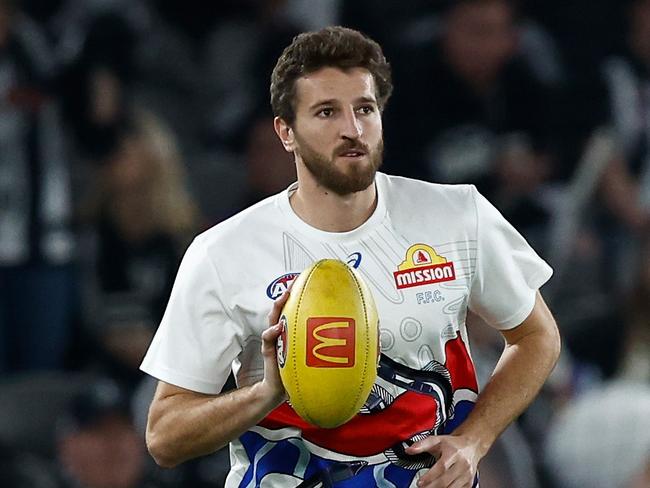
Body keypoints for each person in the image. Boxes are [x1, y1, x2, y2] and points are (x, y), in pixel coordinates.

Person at [140, 26, 561, 487]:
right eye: (327, 112)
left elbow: (537, 337)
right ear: (286, 132)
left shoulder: (457, 215)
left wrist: (474, 439)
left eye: (365, 108)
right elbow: (165, 436)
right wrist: (267, 394)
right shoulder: (224, 253)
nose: (353, 129)